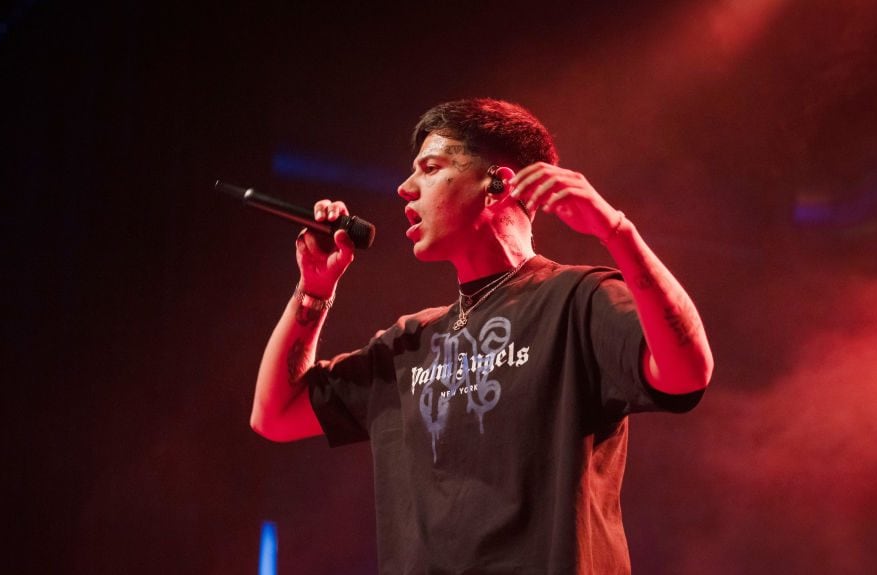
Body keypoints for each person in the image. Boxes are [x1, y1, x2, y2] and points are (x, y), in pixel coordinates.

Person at [250, 98, 713, 574]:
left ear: (497, 186)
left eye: (430, 168)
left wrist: (615, 230)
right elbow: (275, 414)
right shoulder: (409, 342)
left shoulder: (578, 300)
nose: (405, 189)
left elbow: (687, 372)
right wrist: (314, 289)